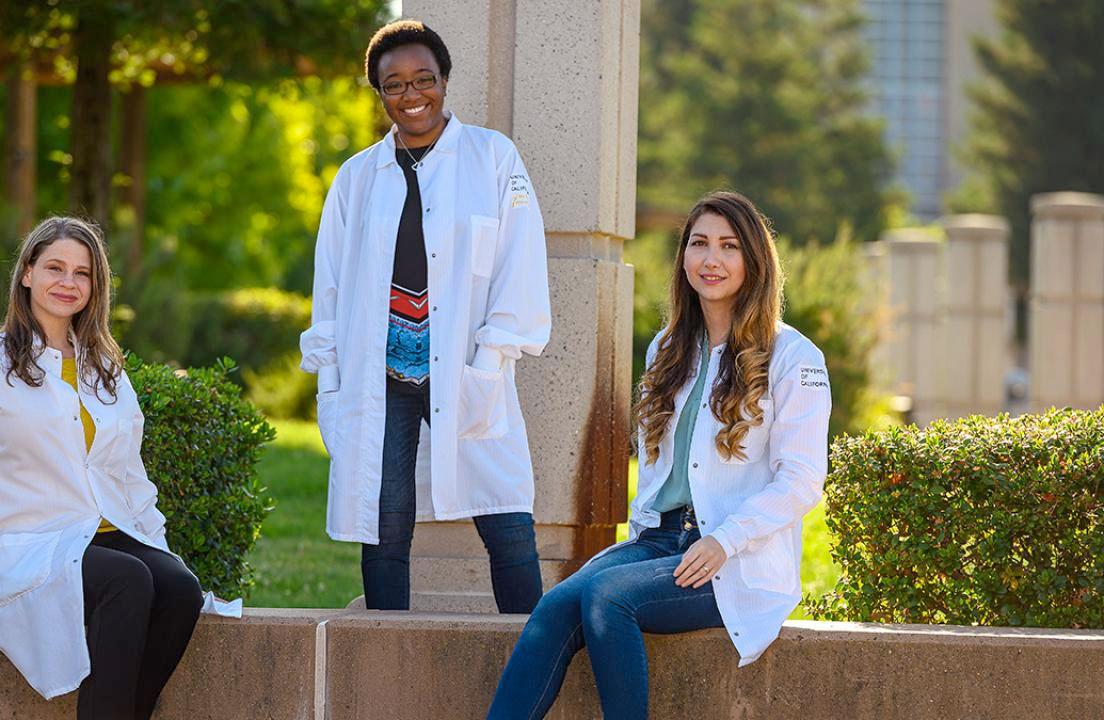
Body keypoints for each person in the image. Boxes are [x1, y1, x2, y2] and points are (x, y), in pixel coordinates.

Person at [487, 191, 832, 718]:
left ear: (754, 261)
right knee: (554, 609)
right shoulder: (668, 347)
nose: (711, 259)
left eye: (728, 246)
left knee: (609, 598)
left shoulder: (793, 356)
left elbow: (803, 479)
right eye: (699, 244)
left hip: (731, 556)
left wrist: (724, 540)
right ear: (684, 258)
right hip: (659, 540)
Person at [0, 216, 237, 719]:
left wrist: (160, 547)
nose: (68, 283)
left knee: (178, 588)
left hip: (106, 532)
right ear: (26, 273)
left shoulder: (105, 369)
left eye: (82, 273)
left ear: (96, 287)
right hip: (30, 541)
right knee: (128, 581)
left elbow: (129, 476)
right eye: (54, 267)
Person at [300, 19, 552, 613]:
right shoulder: (356, 176)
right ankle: (387, 665)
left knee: (506, 517)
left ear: (444, 80)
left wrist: (491, 357)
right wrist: (331, 375)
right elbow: (330, 283)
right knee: (385, 526)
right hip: (380, 374)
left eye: (424, 79)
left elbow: (520, 258)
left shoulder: (493, 157)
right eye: (394, 85)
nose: (412, 96)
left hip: (466, 366)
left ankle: (532, 647)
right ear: (378, 93)